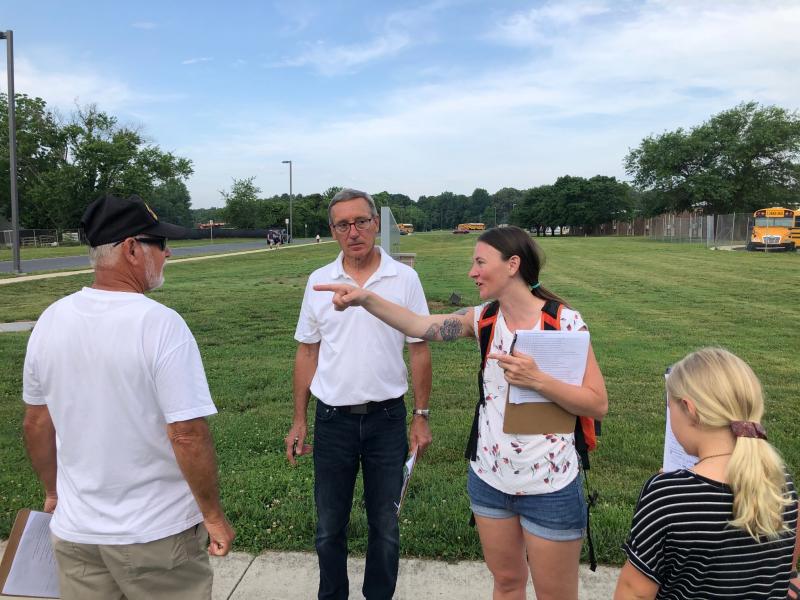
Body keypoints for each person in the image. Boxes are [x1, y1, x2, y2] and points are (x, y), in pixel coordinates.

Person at [315, 225, 608, 600]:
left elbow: (596, 403)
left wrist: (538, 380)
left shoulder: (564, 322)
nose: (472, 272)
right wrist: (364, 299)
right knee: (506, 583)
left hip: (549, 485)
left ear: (513, 264)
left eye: (480, 262)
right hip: (489, 481)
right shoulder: (482, 319)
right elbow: (420, 326)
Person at [22, 193, 235, 600]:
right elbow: (187, 432)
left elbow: (37, 421)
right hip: (155, 535)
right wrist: (213, 516)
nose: (167, 253)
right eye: (159, 243)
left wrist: (53, 493)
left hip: (76, 534)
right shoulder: (159, 324)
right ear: (132, 249)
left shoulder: (51, 319)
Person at [285, 188, 433, 600]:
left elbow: (419, 346)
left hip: (387, 419)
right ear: (332, 231)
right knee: (329, 526)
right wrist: (299, 419)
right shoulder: (319, 281)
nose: (354, 232)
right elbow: (307, 350)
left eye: (361, 222)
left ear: (375, 224)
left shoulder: (404, 279)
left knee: (385, 526)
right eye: (343, 224)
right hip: (333, 422)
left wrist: (421, 414)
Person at [614, 347, 799, 600]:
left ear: (689, 409)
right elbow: (785, 564)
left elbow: (634, 592)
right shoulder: (780, 480)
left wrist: (671, 492)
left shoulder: (666, 496)